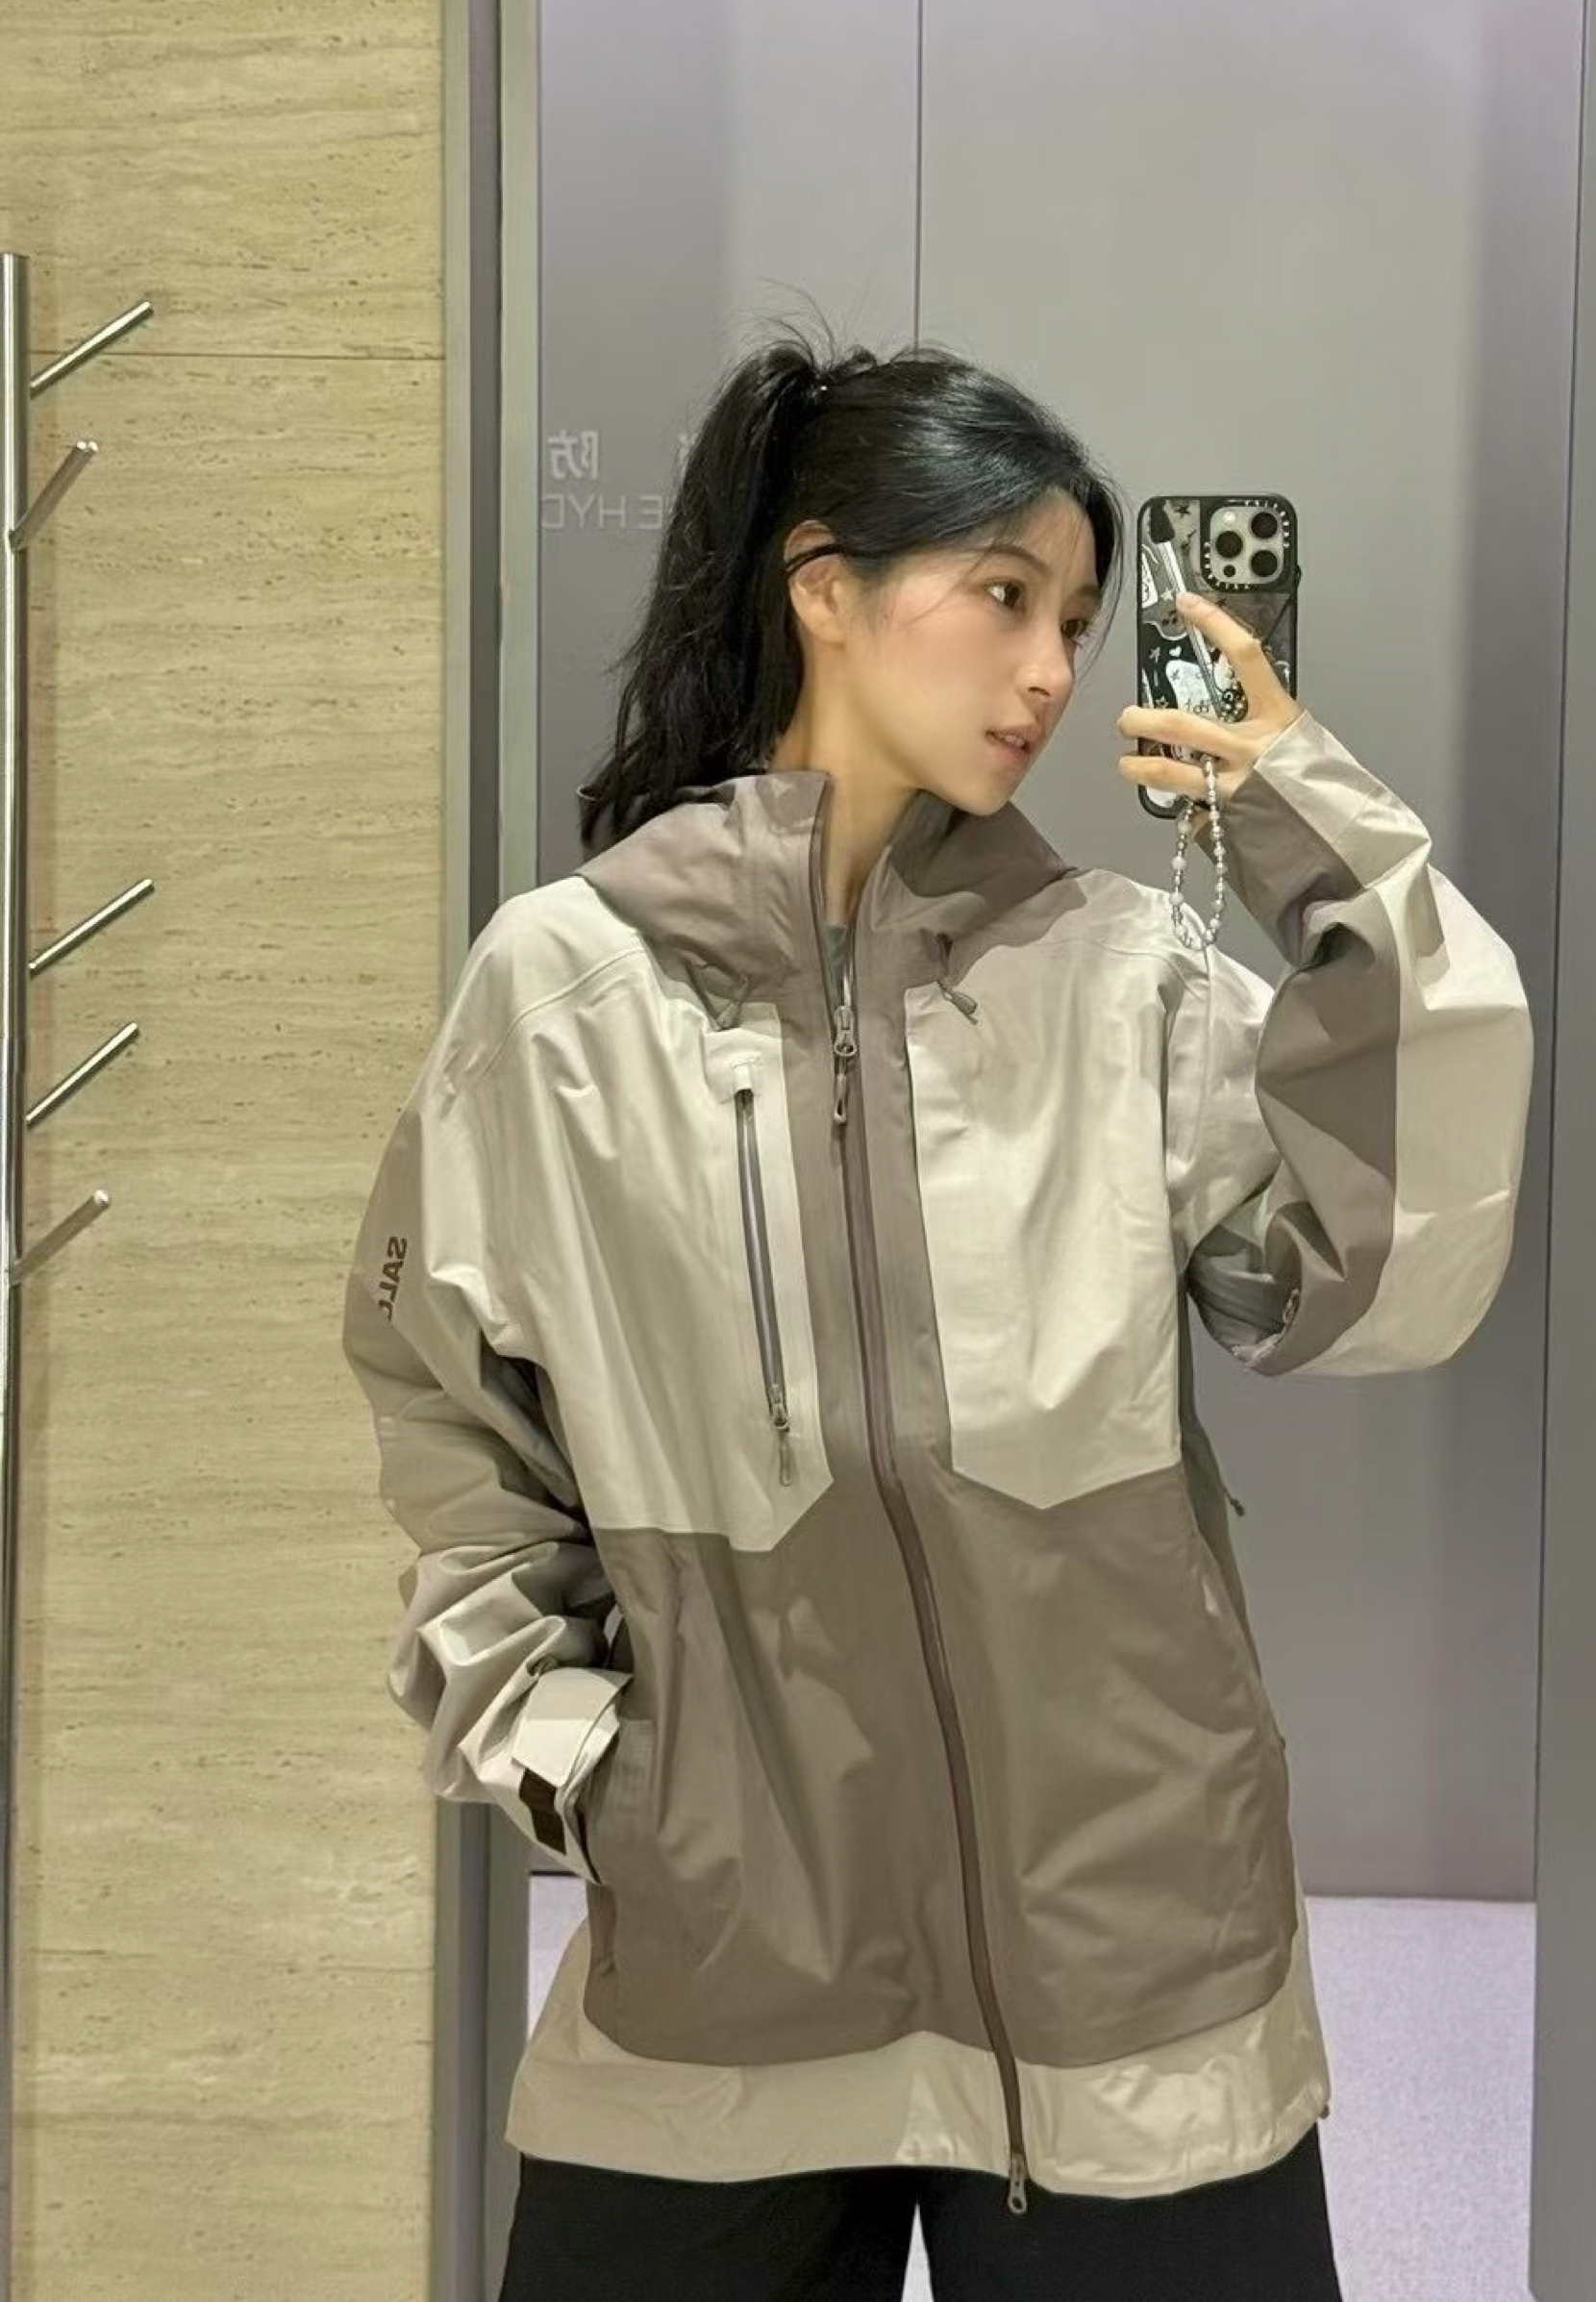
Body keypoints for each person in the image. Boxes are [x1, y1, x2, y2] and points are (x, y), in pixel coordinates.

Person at [341, 321, 1534, 2301]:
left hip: (1134, 1973)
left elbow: (1389, 1280)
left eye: (1074, 617)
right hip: (731, 1969)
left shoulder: (1128, 977)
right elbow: (451, 1413)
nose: (1053, 670)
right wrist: (581, 1763)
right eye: (1002, 597)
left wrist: (1317, 841)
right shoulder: (561, 995)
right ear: (824, 589)